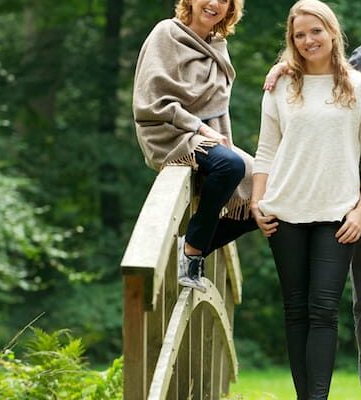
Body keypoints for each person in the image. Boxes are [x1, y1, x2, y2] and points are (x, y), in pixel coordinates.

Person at [251, 0, 361, 398]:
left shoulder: (360, 87)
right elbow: (265, 151)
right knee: (295, 311)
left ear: (331, 33)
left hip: (337, 215)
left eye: (315, 31)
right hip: (284, 212)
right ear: (291, 41)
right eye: (299, 34)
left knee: (324, 310)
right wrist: (257, 202)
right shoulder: (280, 87)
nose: (308, 40)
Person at [132, 0, 257, 291]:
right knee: (231, 165)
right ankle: (192, 254)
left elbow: (217, 110)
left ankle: (192, 245)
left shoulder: (218, 47)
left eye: (224, 0)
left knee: (267, 195)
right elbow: (152, 101)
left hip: (208, 138)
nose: (213, 3)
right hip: (167, 132)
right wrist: (199, 128)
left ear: (230, 9)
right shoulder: (167, 33)